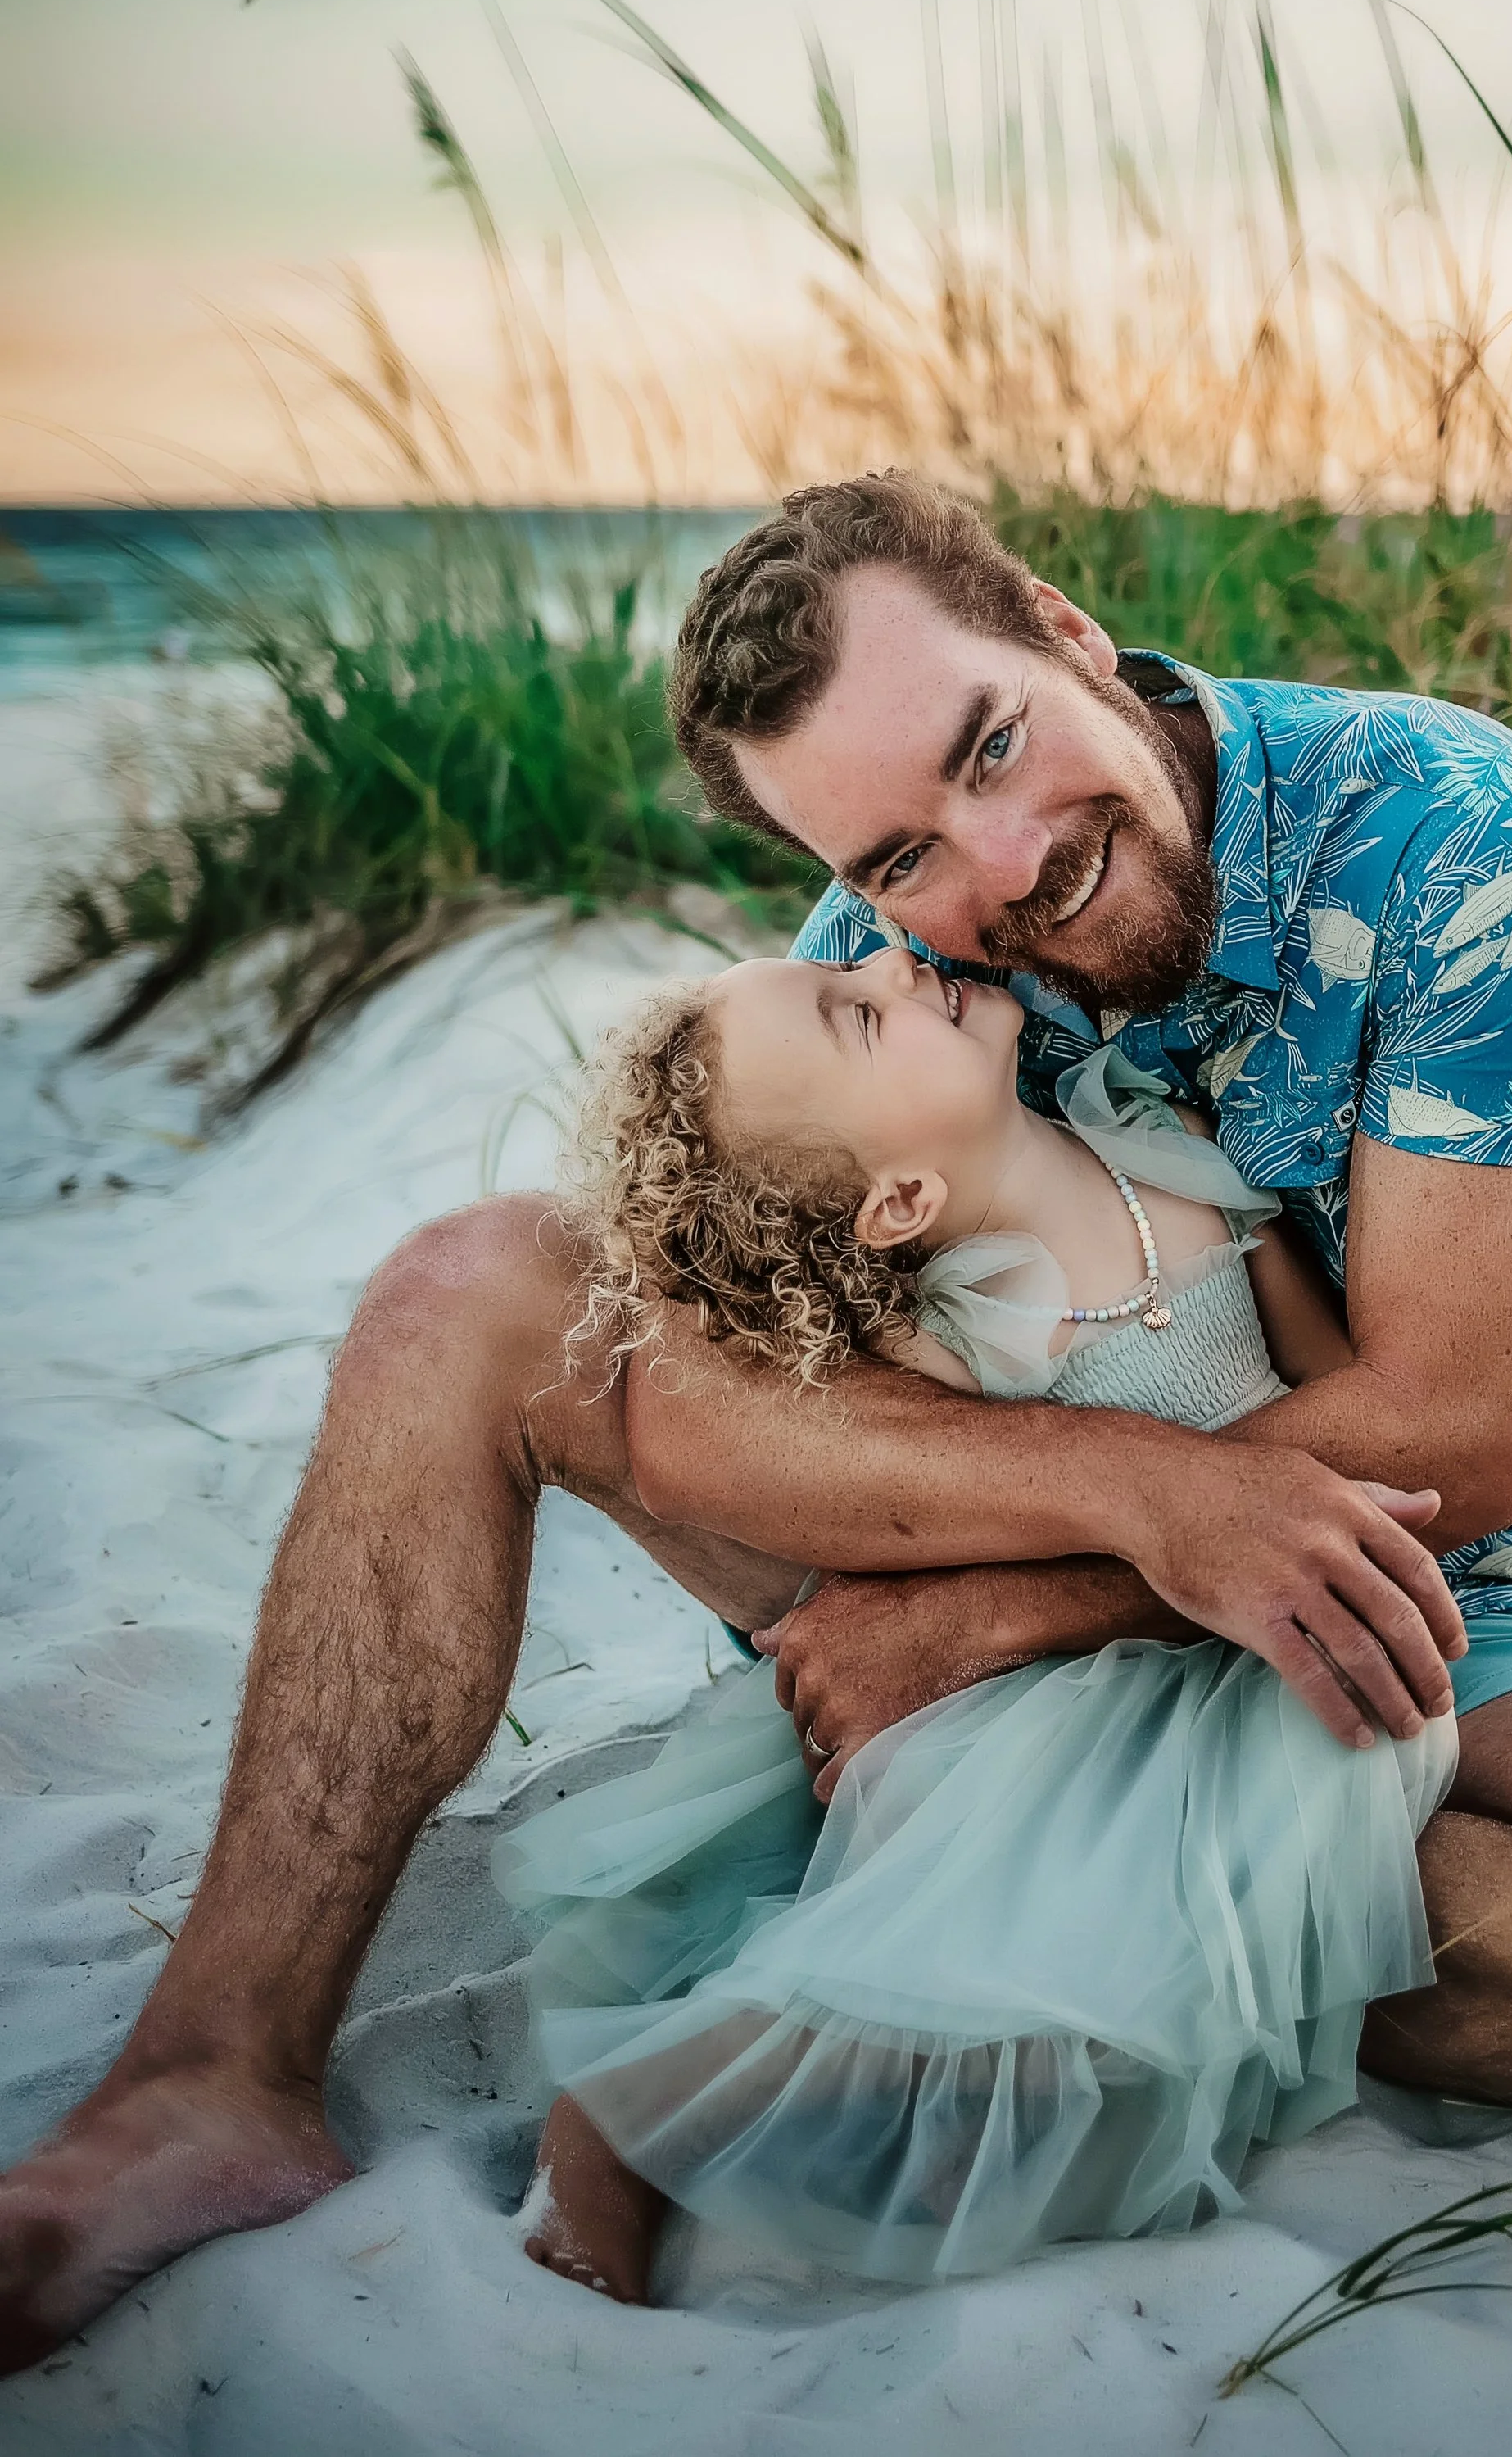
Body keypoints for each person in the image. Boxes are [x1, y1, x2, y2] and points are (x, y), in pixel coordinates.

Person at [0, 474, 1512, 2374]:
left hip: (1431, 1597)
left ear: (1073, 638)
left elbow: (1457, 1439)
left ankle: (1041, 1947)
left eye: (994, 745)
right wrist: (1102, 1512)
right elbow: (772, 1379)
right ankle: (209, 2082)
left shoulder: (1444, 835)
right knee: (462, 1296)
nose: (993, 873)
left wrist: (1000, 1610)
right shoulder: (893, 973)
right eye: (897, 857)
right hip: (1007, 1562)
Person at [500, 967, 1460, 2299]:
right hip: (1052, 1704)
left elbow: (1326, 1387)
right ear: (899, 1201)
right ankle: (630, 2111)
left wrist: (1344, 1506)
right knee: (953, 1981)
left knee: (1099, 2009)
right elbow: (938, 1532)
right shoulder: (945, 1327)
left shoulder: (1161, 1151)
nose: (893, 962)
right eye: (859, 1014)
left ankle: (924, 2132)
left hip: (1240, 1658)